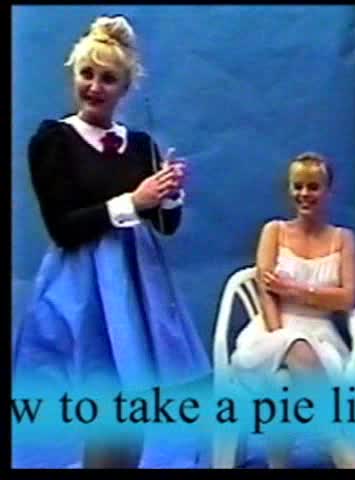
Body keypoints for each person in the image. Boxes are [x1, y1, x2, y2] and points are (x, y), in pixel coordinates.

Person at [12, 15, 210, 468]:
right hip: (82, 291)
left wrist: (168, 194)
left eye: (108, 78)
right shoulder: (53, 140)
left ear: (125, 88)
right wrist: (133, 201)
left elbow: (165, 225)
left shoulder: (139, 144)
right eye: (87, 74)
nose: (95, 87)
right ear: (73, 76)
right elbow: (63, 226)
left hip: (139, 292)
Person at [229, 152, 355, 468]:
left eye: (313, 187)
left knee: (289, 380)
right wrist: (281, 338)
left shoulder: (344, 239)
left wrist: (294, 291)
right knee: (293, 348)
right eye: (298, 186)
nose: (304, 194)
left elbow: (346, 299)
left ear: (328, 191)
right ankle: (339, 448)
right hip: (270, 331)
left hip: (321, 338)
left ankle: (279, 463)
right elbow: (267, 294)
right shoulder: (273, 231)